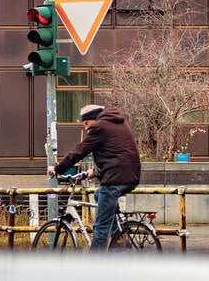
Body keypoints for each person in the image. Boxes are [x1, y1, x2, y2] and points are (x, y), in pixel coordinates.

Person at [47, 104, 141, 250]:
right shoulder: (116, 123)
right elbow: (115, 155)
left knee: (100, 228)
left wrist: (57, 168)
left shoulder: (100, 127)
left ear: (93, 118)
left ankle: (95, 267)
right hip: (128, 175)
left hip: (116, 179)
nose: (86, 128)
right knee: (98, 194)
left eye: (86, 123)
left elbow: (80, 151)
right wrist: (96, 172)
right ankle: (119, 238)